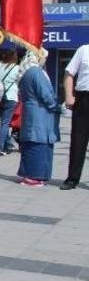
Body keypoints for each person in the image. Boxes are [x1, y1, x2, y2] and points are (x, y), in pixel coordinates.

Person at [17, 51, 62, 187]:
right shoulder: (36, 72)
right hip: (40, 112)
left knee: (31, 142)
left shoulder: (26, 71)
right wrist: (56, 106)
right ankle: (35, 176)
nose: (45, 60)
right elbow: (46, 94)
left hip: (31, 111)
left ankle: (29, 174)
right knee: (39, 143)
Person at [61, 43, 89, 190]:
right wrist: (68, 96)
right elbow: (69, 73)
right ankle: (72, 179)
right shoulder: (84, 50)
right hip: (84, 98)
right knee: (78, 140)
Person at [0, 48, 21, 155]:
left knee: (3, 122)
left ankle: (7, 144)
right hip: (11, 96)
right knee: (5, 123)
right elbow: (20, 82)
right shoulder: (17, 68)